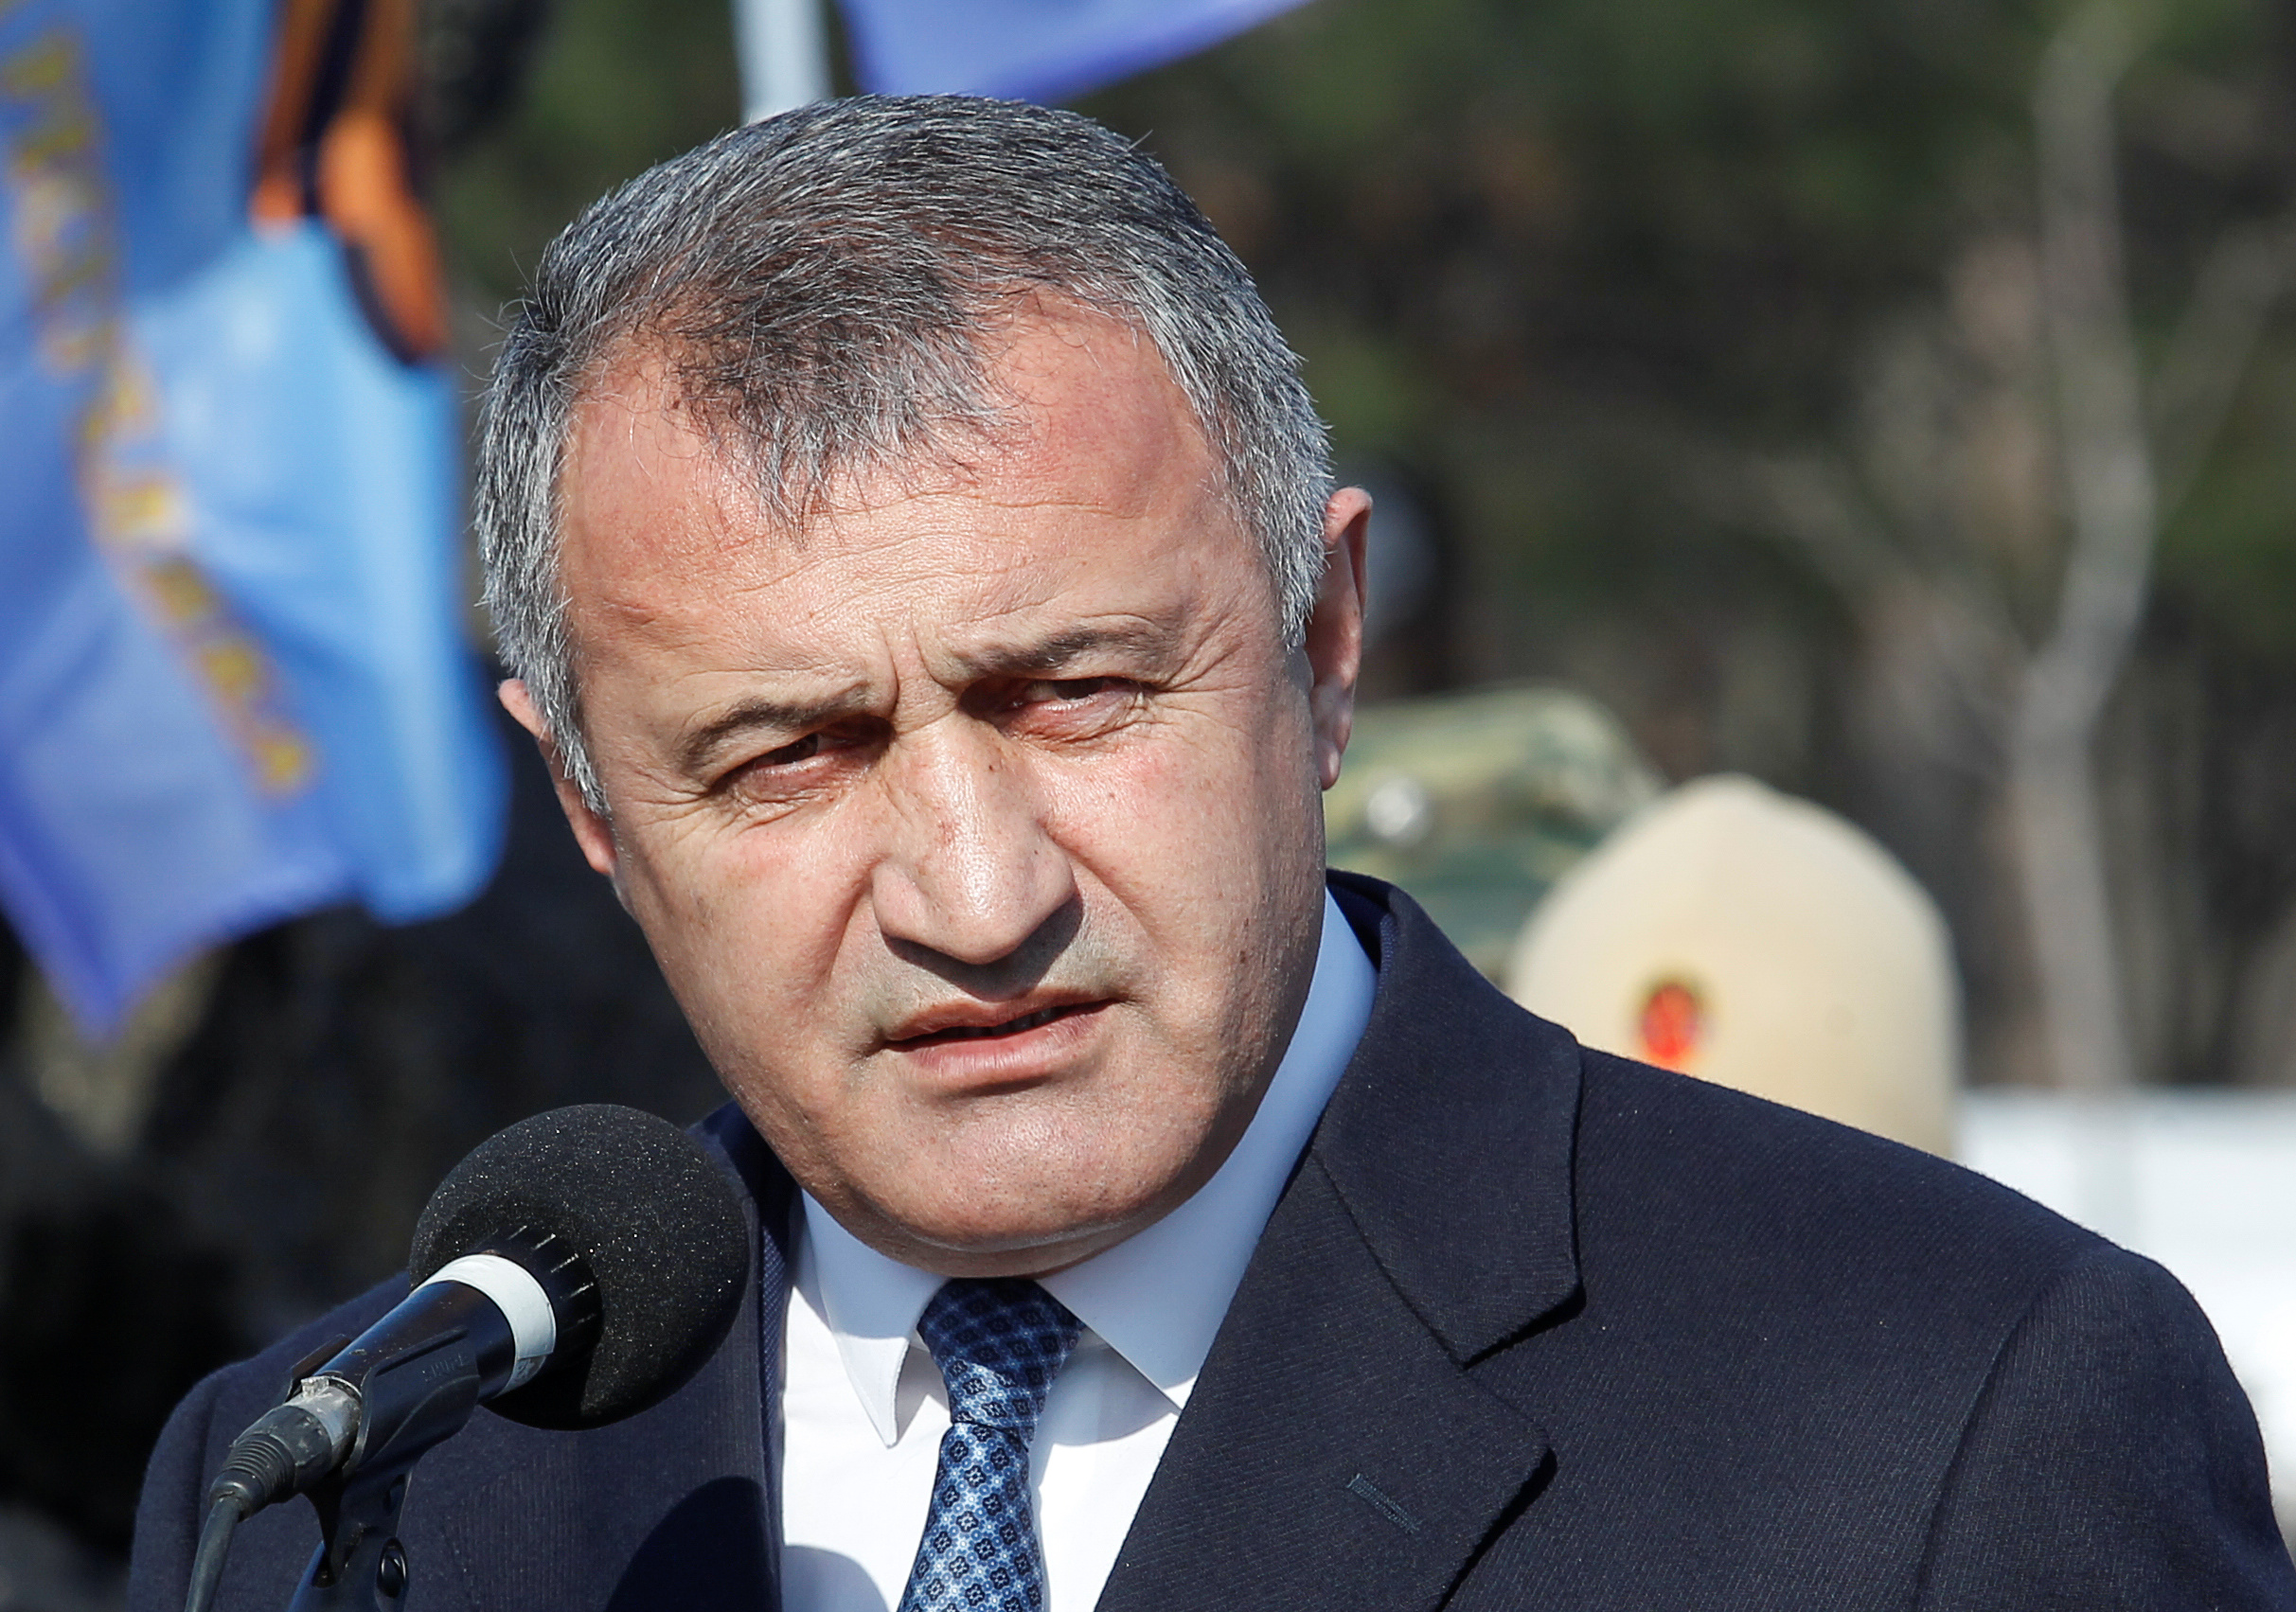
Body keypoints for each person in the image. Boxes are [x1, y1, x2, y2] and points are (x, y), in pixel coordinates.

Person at [130, 96, 2295, 1612]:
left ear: (1324, 643)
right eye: (786, 755)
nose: (976, 899)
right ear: (589, 799)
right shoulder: (352, 1490)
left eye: (1073, 693)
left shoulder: (1952, 1418)